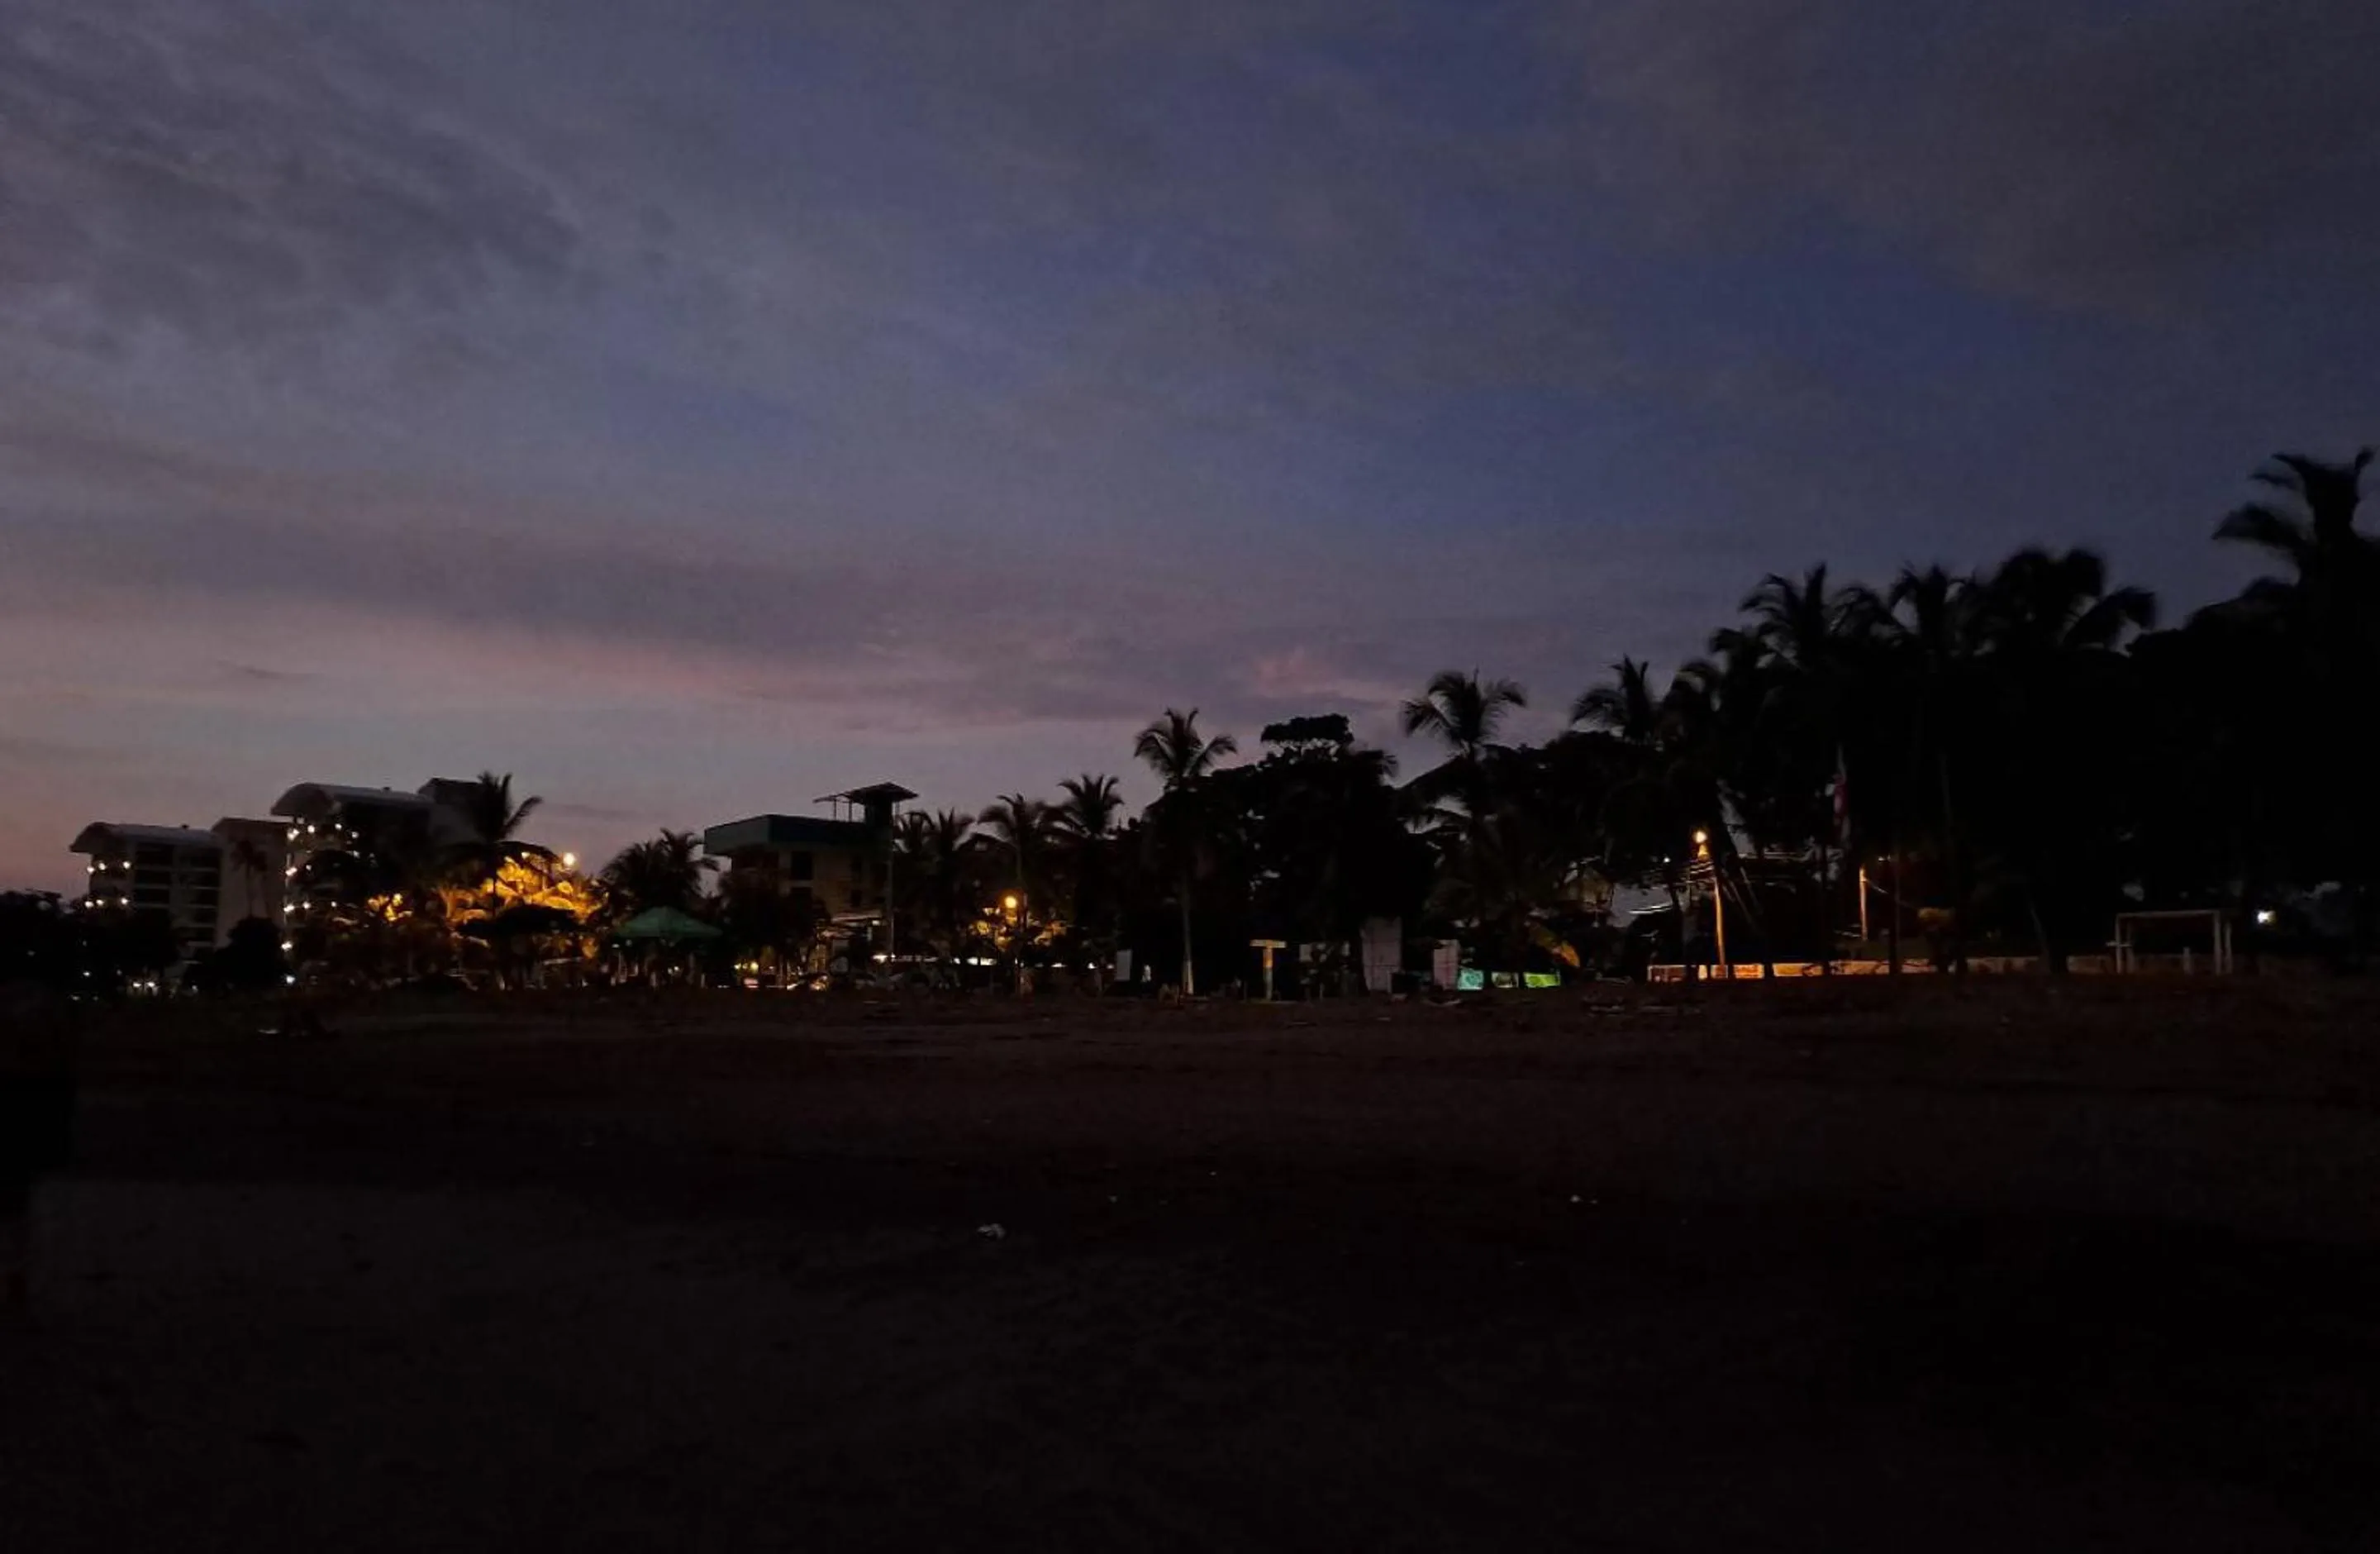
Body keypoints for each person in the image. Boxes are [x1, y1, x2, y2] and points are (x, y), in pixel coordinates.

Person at [2, 980, 77, 1314]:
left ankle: (16, 1278)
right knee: (17, 1203)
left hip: (21, 1110)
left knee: (15, 1202)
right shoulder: (43, 1010)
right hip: (27, 1111)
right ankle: (16, 1279)